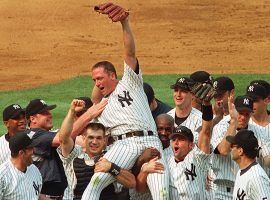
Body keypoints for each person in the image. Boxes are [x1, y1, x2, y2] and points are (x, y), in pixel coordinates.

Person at [82, 3, 169, 200]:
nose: (97, 83)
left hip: (150, 140)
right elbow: (94, 100)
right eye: (94, 80)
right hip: (123, 146)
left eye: (100, 78)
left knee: (162, 195)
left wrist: (124, 23)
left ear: (113, 75)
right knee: (94, 185)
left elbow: (129, 53)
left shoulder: (130, 82)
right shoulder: (101, 106)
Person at [26, 98, 107, 199]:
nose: (50, 114)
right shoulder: (31, 135)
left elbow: (67, 133)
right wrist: (89, 114)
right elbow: (63, 138)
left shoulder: (47, 134)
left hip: (58, 194)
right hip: (45, 194)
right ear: (33, 119)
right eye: (44, 113)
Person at [136, 97, 213, 199]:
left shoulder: (198, 159)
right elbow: (140, 189)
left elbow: (206, 131)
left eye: (181, 139)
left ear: (191, 145)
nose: (176, 142)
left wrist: (206, 105)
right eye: (174, 139)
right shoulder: (163, 160)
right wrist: (144, 171)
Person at [57, 99, 135, 200]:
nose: (94, 142)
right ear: (84, 138)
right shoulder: (74, 155)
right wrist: (72, 112)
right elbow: (63, 139)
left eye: (98, 138)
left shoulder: (113, 156)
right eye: (91, 137)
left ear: (104, 140)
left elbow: (132, 183)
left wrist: (111, 167)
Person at [210, 95, 270, 199]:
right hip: (223, 191)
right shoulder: (221, 128)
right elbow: (223, 151)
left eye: (247, 114)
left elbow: (268, 159)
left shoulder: (258, 131)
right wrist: (234, 122)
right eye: (240, 113)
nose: (243, 117)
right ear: (233, 110)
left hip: (247, 189)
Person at [226, 129, 270, 199]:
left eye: (232, 145)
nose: (230, 148)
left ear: (240, 151)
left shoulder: (257, 178)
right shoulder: (241, 171)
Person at [0, 130, 43, 200]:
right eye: (31, 149)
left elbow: (37, 195)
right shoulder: (2, 176)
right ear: (21, 153)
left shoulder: (34, 170)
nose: (34, 151)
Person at [167, 76, 202, 141]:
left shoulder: (200, 120)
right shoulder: (167, 117)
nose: (178, 94)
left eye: (183, 91)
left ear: (193, 95)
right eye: (176, 90)